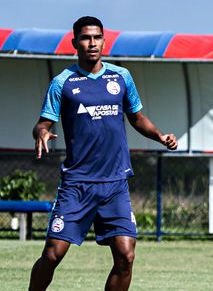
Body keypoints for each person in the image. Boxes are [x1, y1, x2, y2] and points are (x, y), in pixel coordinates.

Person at [29, 16, 178, 291]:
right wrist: (41, 132)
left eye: (97, 37)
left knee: (126, 256)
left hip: (115, 183)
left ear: (104, 40)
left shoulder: (121, 77)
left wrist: (159, 135)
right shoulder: (62, 82)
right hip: (77, 184)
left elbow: (137, 117)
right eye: (86, 38)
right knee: (52, 255)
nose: (92, 43)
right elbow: (43, 122)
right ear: (75, 42)